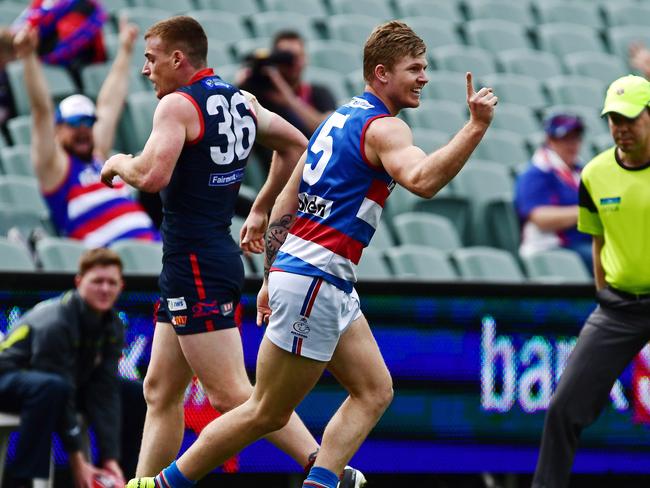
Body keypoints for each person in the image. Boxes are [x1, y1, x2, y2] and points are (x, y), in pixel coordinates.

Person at [126, 20, 497, 488]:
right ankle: (161, 484)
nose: (424, 77)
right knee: (262, 409)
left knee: (374, 391)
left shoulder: (336, 119)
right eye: (414, 69)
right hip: (317, 277)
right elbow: (422, 181)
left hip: (319, 278)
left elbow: (287, 200)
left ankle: (321, 481)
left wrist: (270, 275)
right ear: (381, 73)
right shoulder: (384, 130)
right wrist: (476, 127)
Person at [99, 16, 364, 486]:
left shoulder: (177, 106)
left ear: (178, 59)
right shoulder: (240, 100)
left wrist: (119, 162)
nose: (146, 70)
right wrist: (261, 208)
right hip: (203, 256)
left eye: (151, 58)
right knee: (160, 390)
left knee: (234, 396)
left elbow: (153, 175)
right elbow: (295, 145)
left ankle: (324, 467)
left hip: (195, 262)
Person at [532, 74, 650, 487]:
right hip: (618, 307)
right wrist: (604, 294)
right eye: (614, 119)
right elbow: (598, 241)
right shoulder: (596, 174)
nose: (621, 127)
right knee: (564, 408)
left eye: (630, 118)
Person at [14, 18, 159, 249]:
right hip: (113, 271)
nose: (83, 128)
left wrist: (125, 50)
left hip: (156, 254)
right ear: (58, 129)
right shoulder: (55, 169)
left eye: (88, 122)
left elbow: (109, 105)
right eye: (74, 123)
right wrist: (29, 57)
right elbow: (41, 110)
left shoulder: (100, 160)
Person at [0, 248, 127, 488]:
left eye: (112, 282)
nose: (105, 289)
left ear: (121, 286)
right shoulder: (55, 321)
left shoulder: (114, 325)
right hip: (7, 379)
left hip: (52, 386)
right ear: (79, 282)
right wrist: (77, 461)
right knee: (52, 388)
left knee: (130, 392)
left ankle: (126, 476)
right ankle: (21, 481)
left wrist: (111, 457)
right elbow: (60, 386)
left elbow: (105, 389)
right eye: (97, 281)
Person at [514, 112, 593, 270]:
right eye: (566, 138)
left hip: (580, 245)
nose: (572, 144)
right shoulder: (536, 173)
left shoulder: (580, 172)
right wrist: (588, 210)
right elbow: (541, 218)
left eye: (576, 138)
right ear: (550, 140)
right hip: (550, 249)